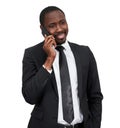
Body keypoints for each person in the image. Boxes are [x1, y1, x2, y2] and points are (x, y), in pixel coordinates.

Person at [22, 6, 103, 128]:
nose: (59, 29)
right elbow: (30, 97)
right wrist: (49, 60)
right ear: (42, 29)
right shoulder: (32, 54)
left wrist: (94, 125)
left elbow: (95, 96)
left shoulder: (85, 53)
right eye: (52, 25)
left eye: (62, 22)